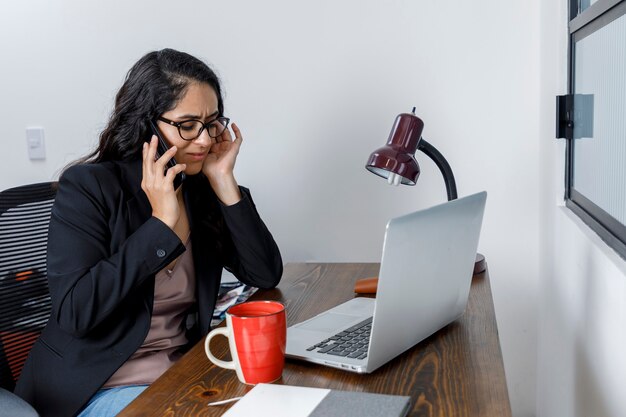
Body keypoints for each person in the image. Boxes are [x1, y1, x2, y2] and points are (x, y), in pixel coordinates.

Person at [15, 48, 283, 417]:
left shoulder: (200, 189)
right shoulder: (89, 188)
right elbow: (76, 312)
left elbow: (264, 272)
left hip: (182, 375)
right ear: (148, 124)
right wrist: (160, 226)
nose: (204, 140)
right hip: (99, 386)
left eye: (212, 122)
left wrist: (224, 181)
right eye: (188, 125)